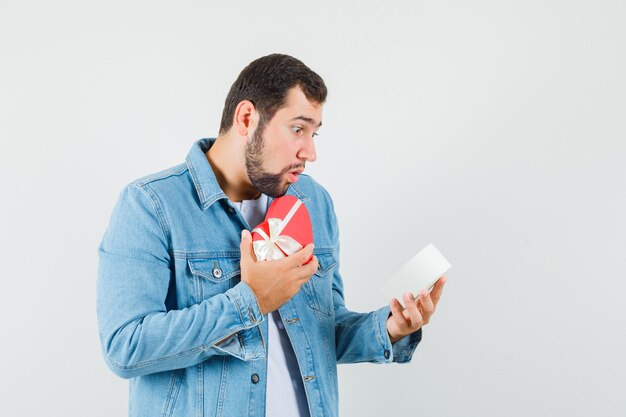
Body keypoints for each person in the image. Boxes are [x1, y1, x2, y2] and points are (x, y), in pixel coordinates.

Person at [97, 53, 446, 417]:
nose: (310, 151)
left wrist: (390, 328)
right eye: (298, 129)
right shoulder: (152, 205)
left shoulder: (313, 202)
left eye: (315, 133)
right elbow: (126, 347)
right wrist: (250, 301)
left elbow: (320, 330)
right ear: (247, 118)